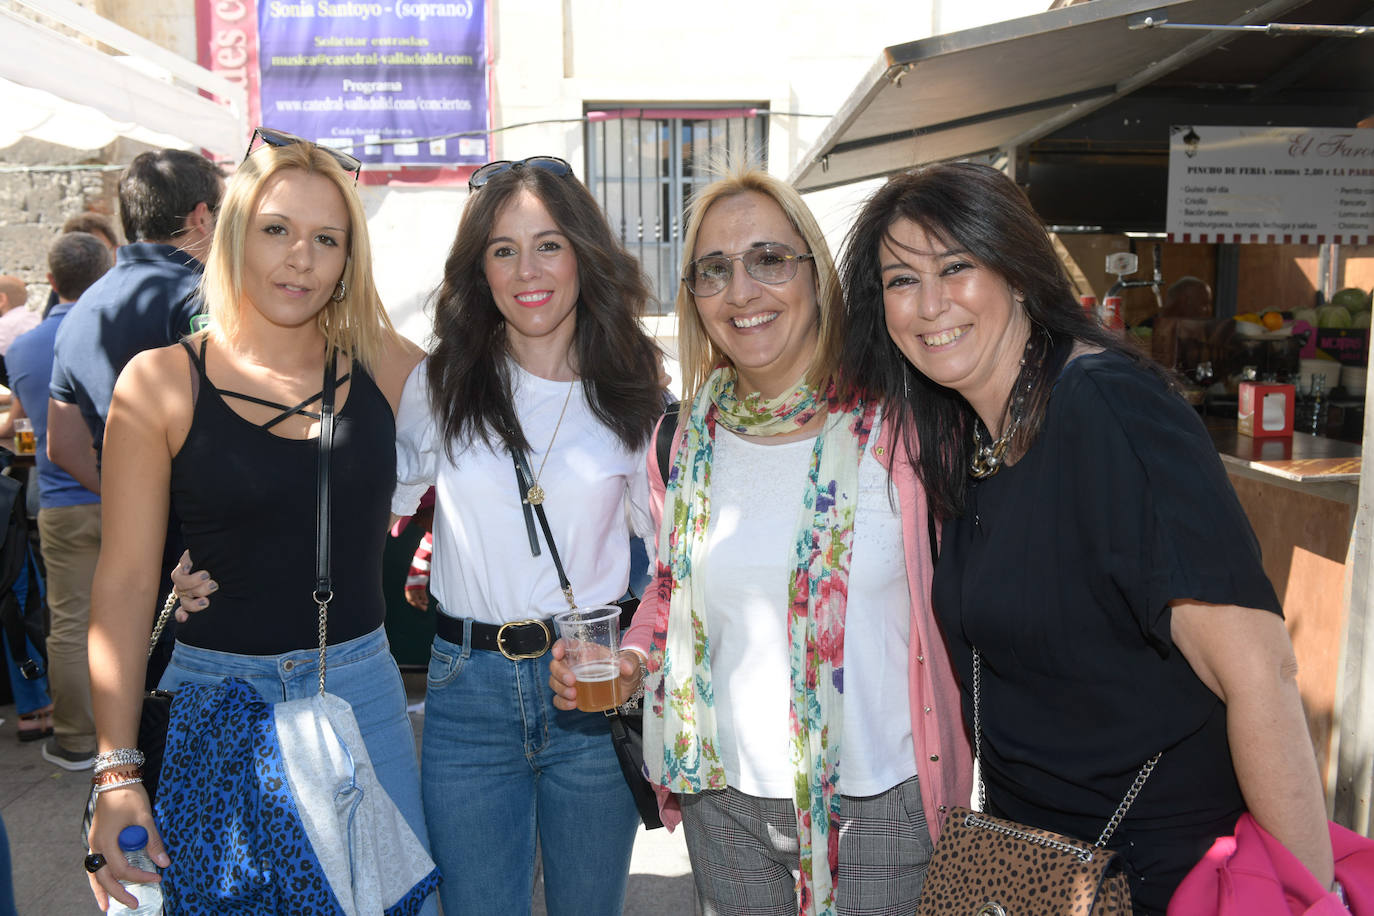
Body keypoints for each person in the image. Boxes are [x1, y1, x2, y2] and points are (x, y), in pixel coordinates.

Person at [839, 161, 1333, 914]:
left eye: (956, 266)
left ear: (1016, 269)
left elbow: (1260, 674)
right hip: (1033, 872)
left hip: (1160, 879)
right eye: (901, 281)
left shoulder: (1108, 409)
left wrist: (1308, 898)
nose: (930, 304)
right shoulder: (976, 437)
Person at [550, 167, 971, 916]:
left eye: (769, 260)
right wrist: (634, 659)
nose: (742, 291)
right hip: (724, 799)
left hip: (880, 802)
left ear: (816, 274)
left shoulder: (904, 425)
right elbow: (673, 591)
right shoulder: (682, 440)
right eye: (714, 270)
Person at [84, 133, 435, 914]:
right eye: (277, 229)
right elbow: (127, 583)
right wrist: (116, 774)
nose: (300, 258)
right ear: (234, 230)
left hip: (359, 692)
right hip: (214, 698)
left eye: (326, 238)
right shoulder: (161, 382)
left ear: (349, 258)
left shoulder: (381, 362)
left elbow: (507, 401)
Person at [389, 155, 664, 916]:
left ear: (583, 251)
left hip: (590, 691)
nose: (526, 269)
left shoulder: (639, 393)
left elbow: (676, 568)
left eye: (548, 243)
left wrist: (634, 658)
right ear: (480, 270)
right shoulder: (439, 386)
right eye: (502, 249)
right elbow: (374, 505)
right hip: (465, 691)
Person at [49, 148, 223, 700]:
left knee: (146, 708)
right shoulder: (206, 296)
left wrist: (134, 502)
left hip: (126, 546)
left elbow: (63, 444)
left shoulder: (80, 309)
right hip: (206, 560)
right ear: (202, 217)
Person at [6, 232, 110, 770]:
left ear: (50, 281)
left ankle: (75, 737)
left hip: (60, 499)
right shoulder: (113, 331)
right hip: (124, 493)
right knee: (135, 614)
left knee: (69, 622)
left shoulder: (22, 348)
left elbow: (25, 426)